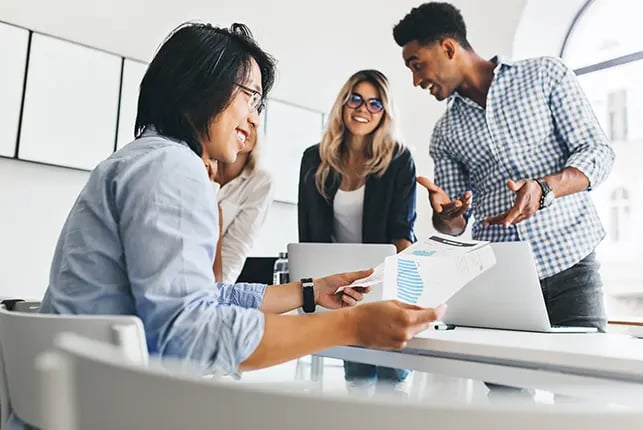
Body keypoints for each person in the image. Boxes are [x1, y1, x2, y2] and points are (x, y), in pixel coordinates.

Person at [17, 22, 445, 421]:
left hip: (79, 402)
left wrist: (310, 292)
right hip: (111, 411)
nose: (255, 119)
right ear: (201, 85)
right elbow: (189, 335)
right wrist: (349, 325)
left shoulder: (140, 159)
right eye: (249, 96)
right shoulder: (173, 168)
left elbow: (203, 298)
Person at [393, 2, 615, 331]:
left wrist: (544, 188)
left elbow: (597, 152)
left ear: (448, 47)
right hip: (499, 280)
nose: (415, 80)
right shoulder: (444, 133)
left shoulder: (544, 75)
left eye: (417, 64)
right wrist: (447, 217)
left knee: (582, 381)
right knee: (503, 383)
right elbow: (456, 221)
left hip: (573, 268)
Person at [298, 69, 417, 389]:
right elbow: (308, 233)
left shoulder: (398, 160)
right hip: (338, 286)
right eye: (357, 99)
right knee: (358, 379)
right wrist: (310, 289)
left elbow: (401, 232)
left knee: (392, 379)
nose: (364, 109)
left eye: (375, 104)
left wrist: (406, 292)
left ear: (385, 113)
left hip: (382, 284)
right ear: (343, 103)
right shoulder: (314, 158)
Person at [210, 124, 273, 284]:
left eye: (252, 124)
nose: (246, 128)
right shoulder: (203, 166)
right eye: (240, 121)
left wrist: (220, 291)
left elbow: (238, 246)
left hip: (214, 280)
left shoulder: (260, 181)